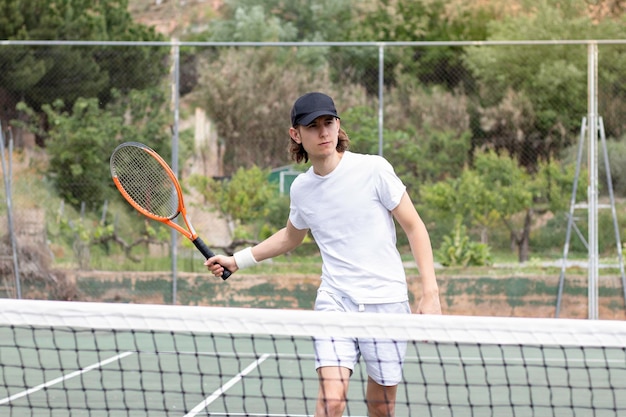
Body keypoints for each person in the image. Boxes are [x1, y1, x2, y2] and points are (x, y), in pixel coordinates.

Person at [205, 92, 442, 417]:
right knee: (331, 402)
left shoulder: (374, 169)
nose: (323, 132)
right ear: (296, 134)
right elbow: (291, 236)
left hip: (387, 304)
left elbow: (415, 227)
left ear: (338, 124)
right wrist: (237, 260)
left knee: (381, 409)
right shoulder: (302, 189)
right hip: (336, 302)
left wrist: (430, 293)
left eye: (328, 122)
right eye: (312, 126)